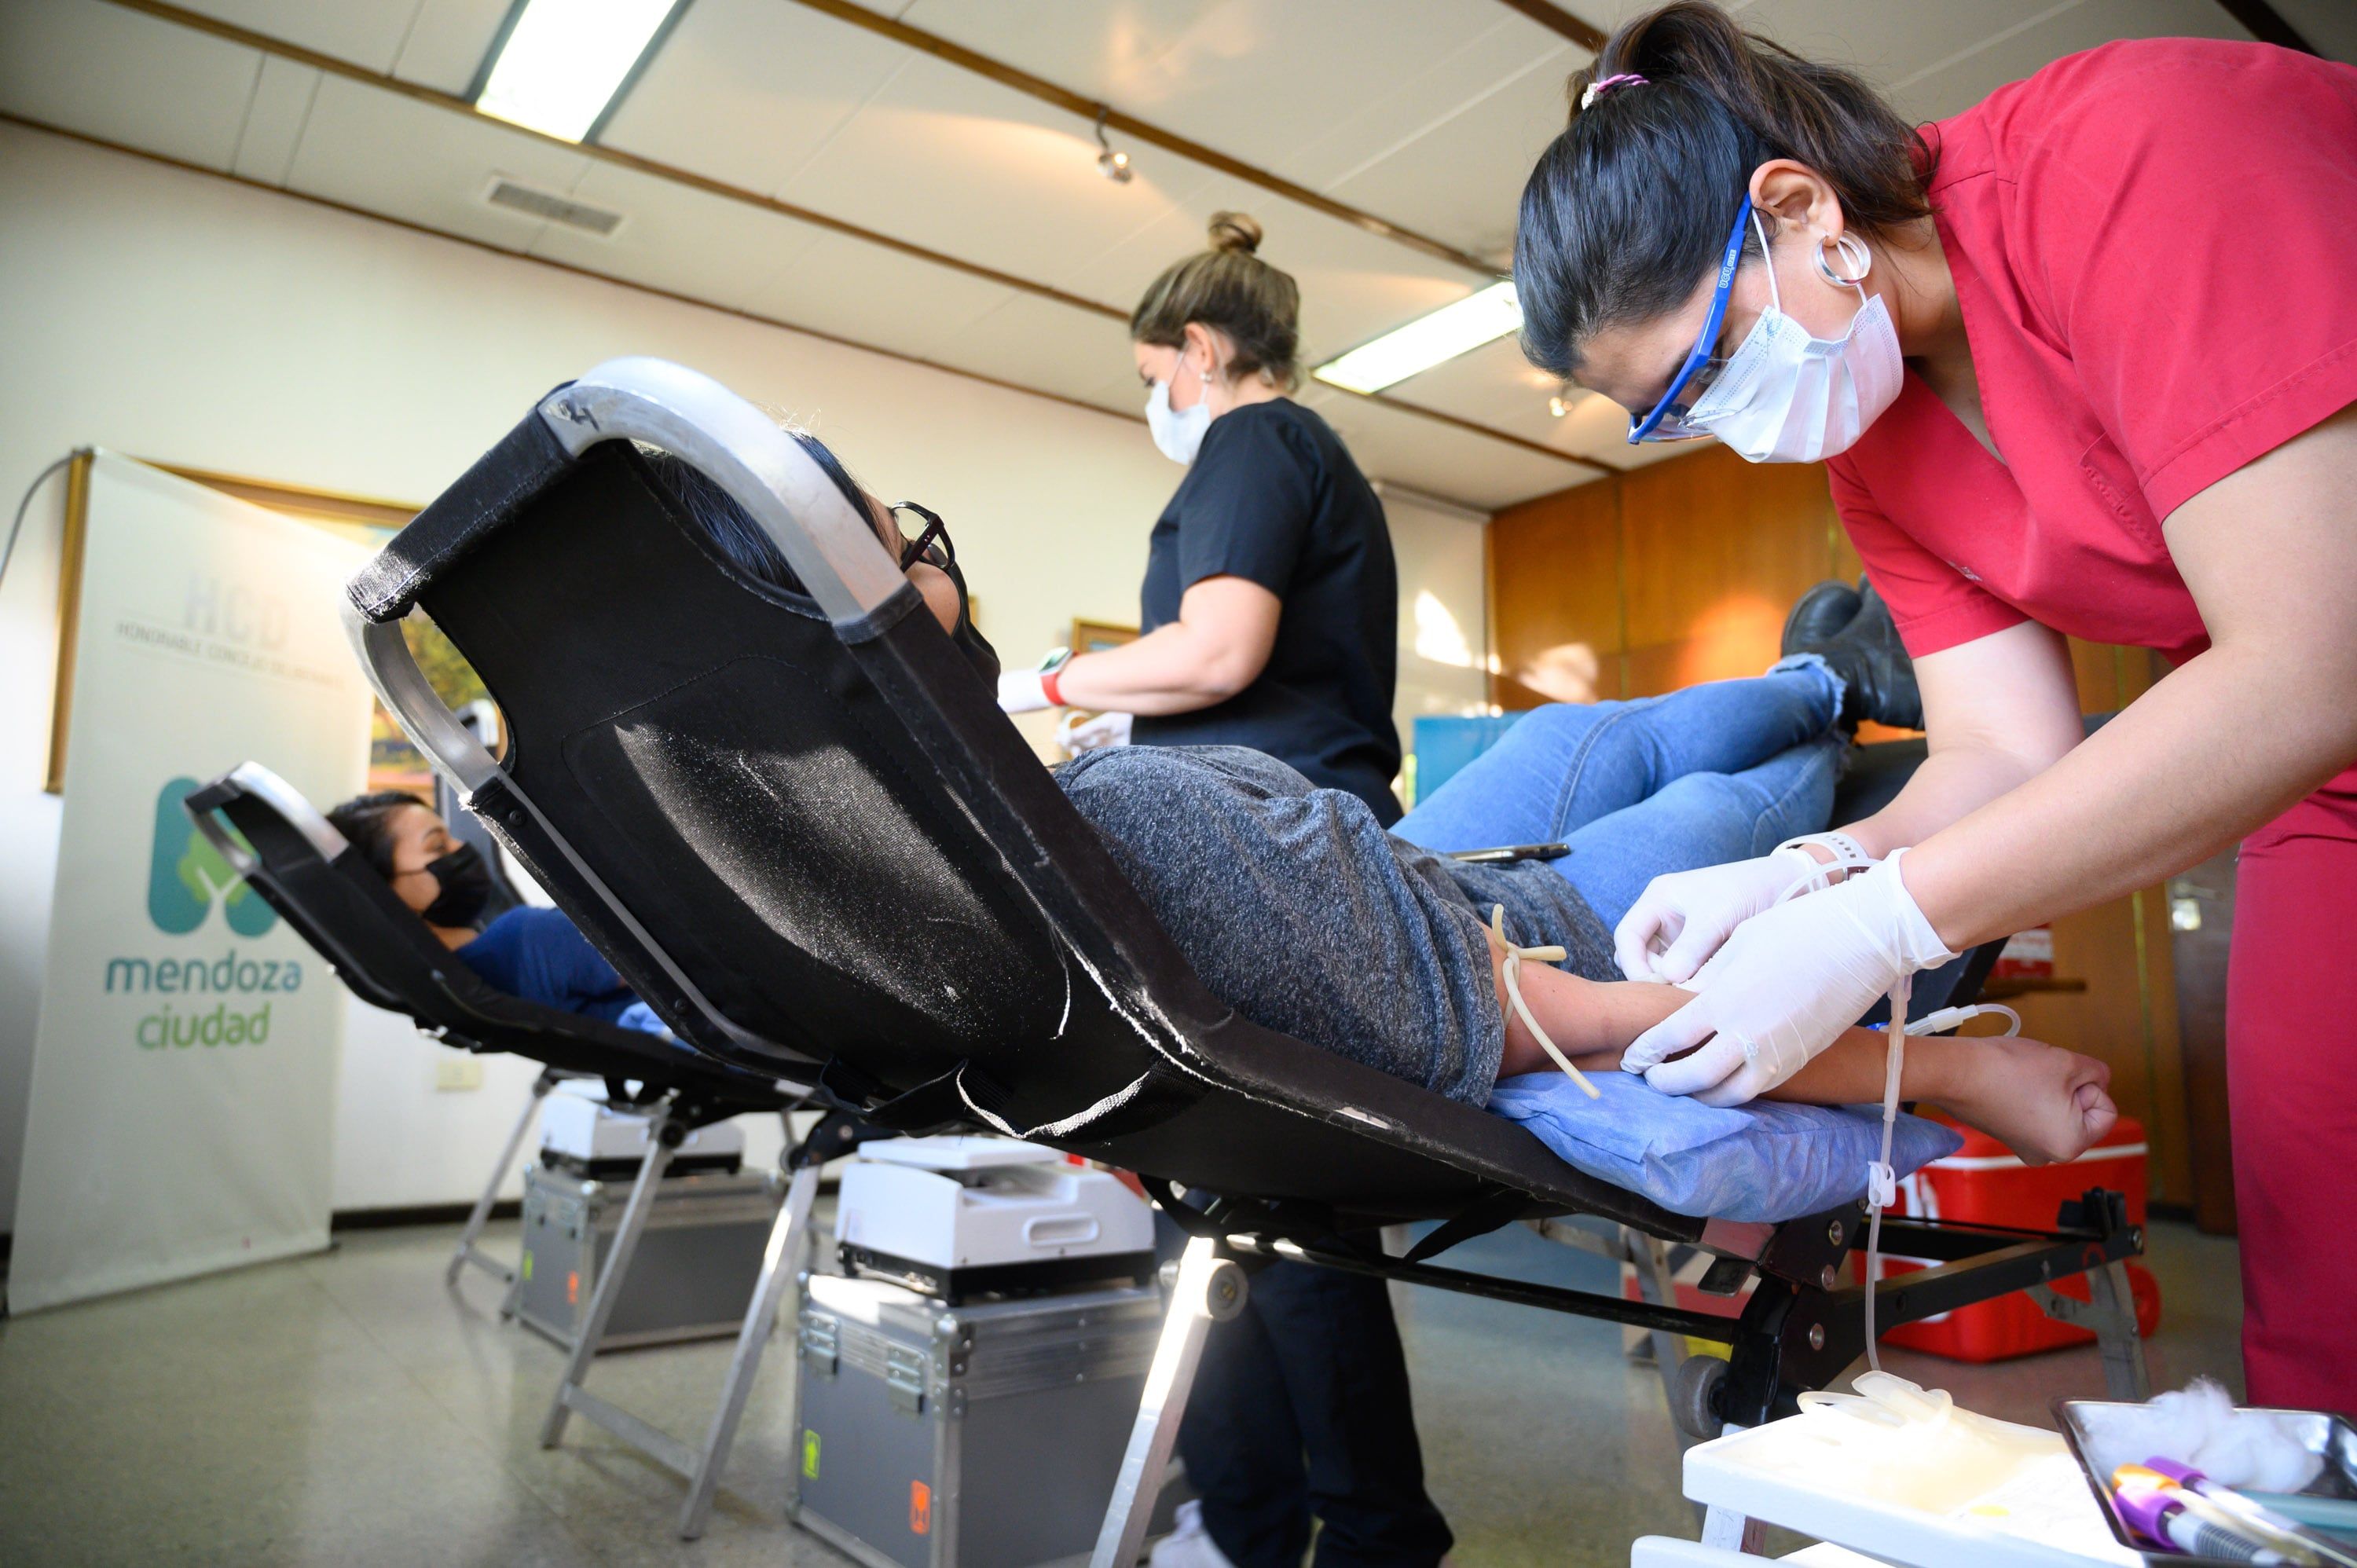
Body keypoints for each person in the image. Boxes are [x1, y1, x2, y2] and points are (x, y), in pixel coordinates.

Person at [1510, 2, 2357, 1407]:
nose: (1728, 422)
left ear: (1800, 208)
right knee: (2324, 1240)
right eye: (1680, 413)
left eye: (1711, 364)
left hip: (2310, 698)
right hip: (2317, 783)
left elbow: (2311, 656)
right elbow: (2005, 747)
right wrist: (1810, 869)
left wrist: (1882, 925)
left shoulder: (2134, 158)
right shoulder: (1878, 441)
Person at [996, 211, 1403, 824]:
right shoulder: (1304, 448)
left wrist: (1044, 683)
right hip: (1313, 808)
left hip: (1286, 821)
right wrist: (1144, 725)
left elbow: (1217, 654)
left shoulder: (1252, 437)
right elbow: (1284, 674)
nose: (1155, 402)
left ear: (1201, 349)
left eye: (1153, 378)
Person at [326, 789, 663, 1032]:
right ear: (387, 895)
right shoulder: (524, 939)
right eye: (438, 847)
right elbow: (672, 954)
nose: (462, 848)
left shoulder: (465, 991)